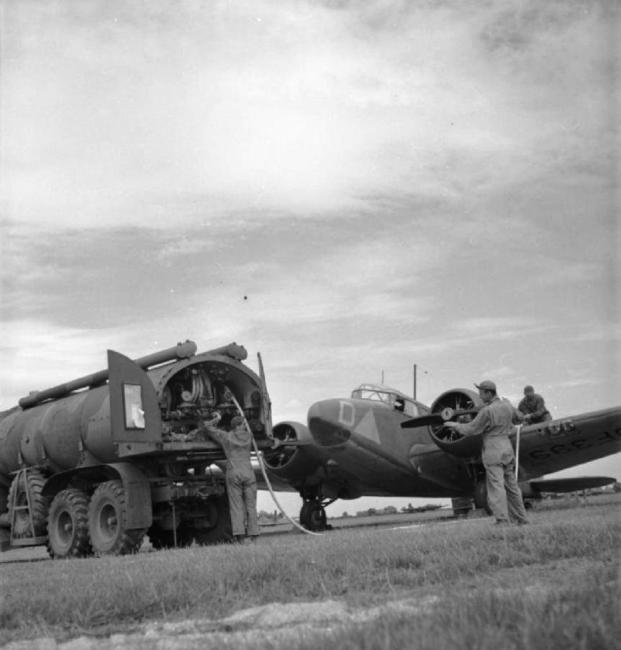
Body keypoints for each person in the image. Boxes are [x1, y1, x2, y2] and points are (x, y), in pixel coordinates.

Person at [443, 380, 528, 526]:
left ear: (489, 393)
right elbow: (520, 417)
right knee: (512, 486)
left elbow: (471, 429)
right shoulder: (506, 405)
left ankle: (502, 520)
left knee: (496, 486)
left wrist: (455, 425)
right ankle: (522, 518)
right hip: (507, 448)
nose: (480, 396)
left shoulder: (487, 411)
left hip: (493, 449)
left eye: (481, 392)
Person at [202, 412, 259, 543]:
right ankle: (254, 537)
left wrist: (216, 419)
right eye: (243, 424)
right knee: (251, 506)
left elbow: (207, 427)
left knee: (236, 507)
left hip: (234, 472)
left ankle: (240, 538)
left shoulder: (226, 437)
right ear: (240, 426)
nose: (245, 426)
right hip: (249, 473)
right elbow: (251, 429)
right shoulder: (250, 437)